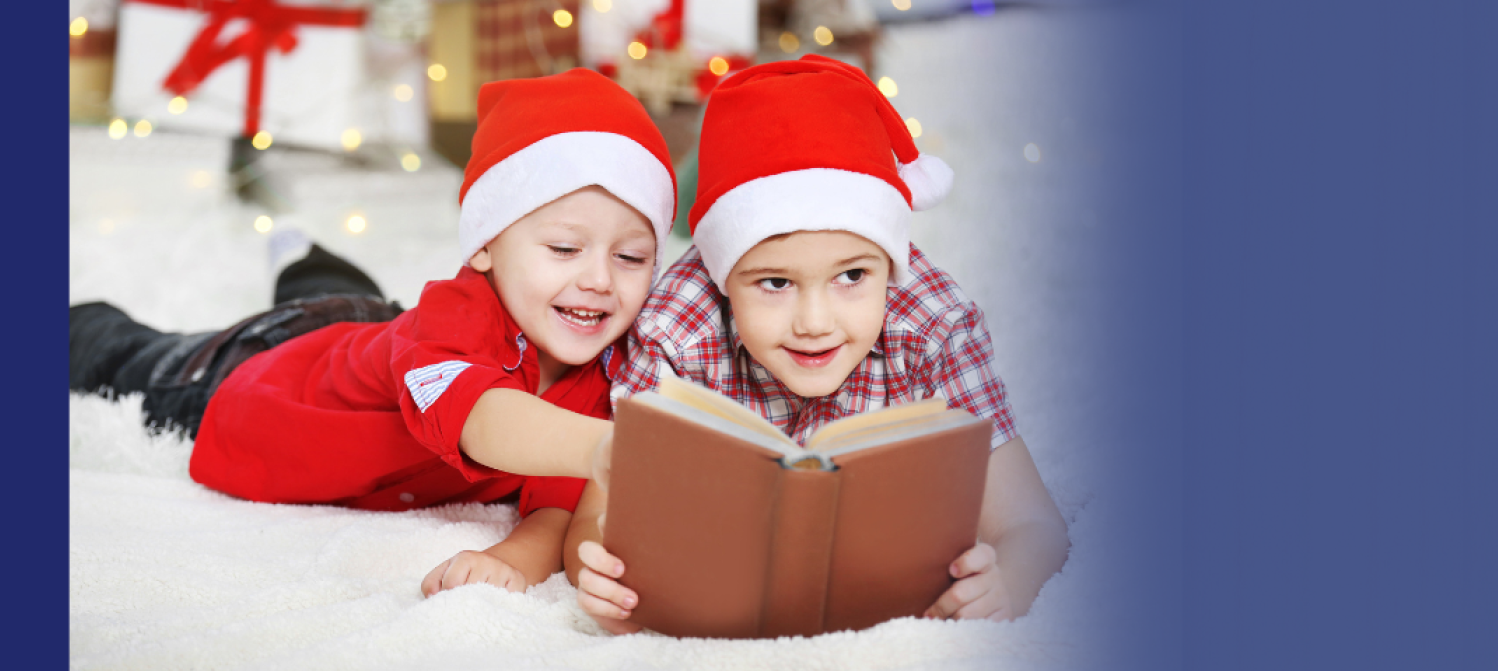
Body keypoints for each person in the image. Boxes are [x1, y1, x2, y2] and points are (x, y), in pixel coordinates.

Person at [68, 68, 679, 598]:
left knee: (346, 301)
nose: (599, 279)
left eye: (631, 258)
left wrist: (504, 564)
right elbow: (487, 419)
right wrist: (604, 445)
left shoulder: (608, 367)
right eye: (566, 247)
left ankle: (302, 252)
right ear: (485, 246)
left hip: (373, 330)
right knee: (126, 355)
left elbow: (556, 506)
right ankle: (288, 260)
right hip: (259, 372)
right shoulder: (458, 316)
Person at [566, 56, 1073, 634]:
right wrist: (603, 578)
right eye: (775, 283)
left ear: (888, 263)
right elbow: (594, 520)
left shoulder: (935, 325)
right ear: (724, 277)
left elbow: (1034, 526)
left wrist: (1008, 582)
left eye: (853, 277)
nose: (815, 322)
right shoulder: (675, 330)